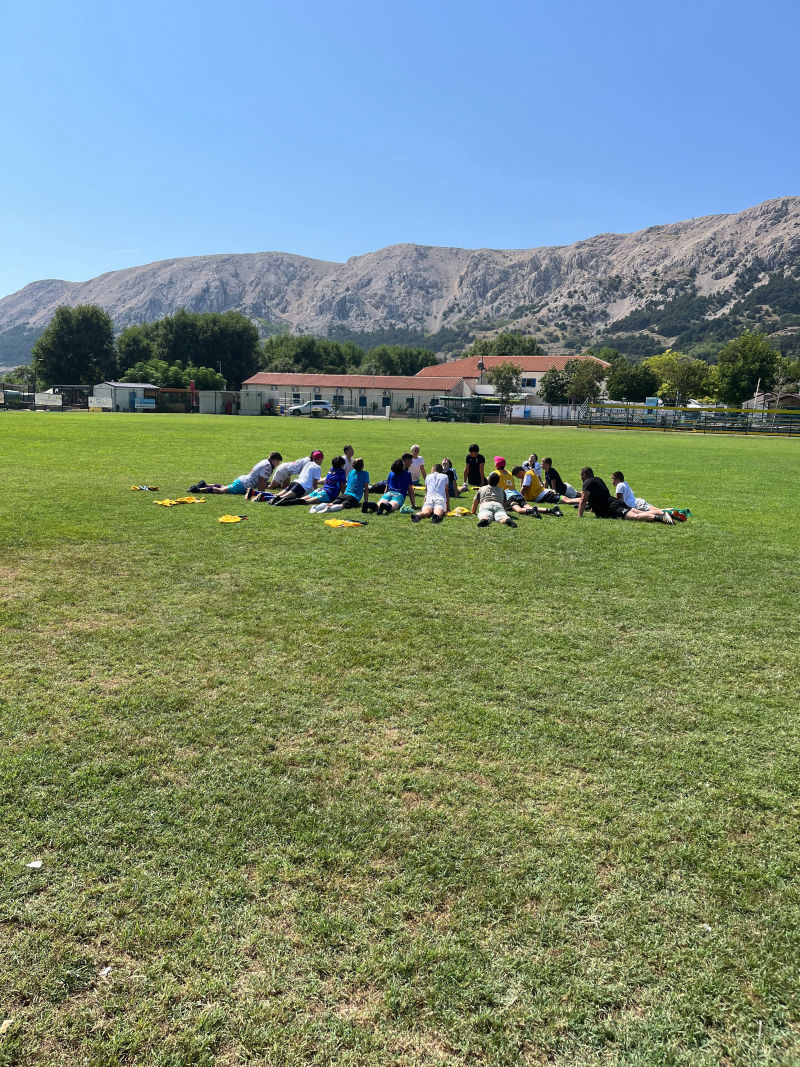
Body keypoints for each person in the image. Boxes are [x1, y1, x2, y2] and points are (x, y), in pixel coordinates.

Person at [578, 467, 674, 524]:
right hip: (616, 501)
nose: (580, 477)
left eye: (581, 475)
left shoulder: (587, 483)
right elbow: (598, 497)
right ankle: (667, 514)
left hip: (612, 507)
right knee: (638, 512)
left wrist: (579, 516)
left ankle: (661, 518)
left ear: (585, 475)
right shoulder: (597, 479)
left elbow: (583, 500)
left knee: (635, 517)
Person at [189, 452, 282, 495]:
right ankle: (198, 490)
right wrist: (262, 494)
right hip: (243, 484)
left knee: (224, 487)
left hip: (243, 481)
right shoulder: (267, 466)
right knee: (222, 491)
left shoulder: (265, 462)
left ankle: (205, 484)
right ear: (275, 460)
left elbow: (262, 481)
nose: (278, 464)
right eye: (278, 462)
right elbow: (261, 481)